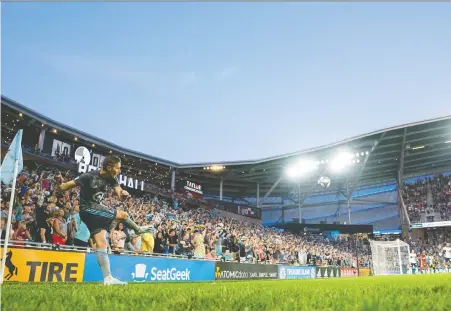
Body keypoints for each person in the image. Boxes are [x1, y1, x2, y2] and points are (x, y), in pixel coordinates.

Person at [56, 155, 151, 286]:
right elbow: (63, 187)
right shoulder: (88, 176)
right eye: (118, 168)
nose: (119, 171)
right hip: (87, 209)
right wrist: (60, 181)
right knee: (122, 215)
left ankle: (108, 278)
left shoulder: (112, 179)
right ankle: (138, 229)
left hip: (95, 212)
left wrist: (123, 194)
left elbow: (119, 194)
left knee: (102, 245)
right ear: (109, 167)